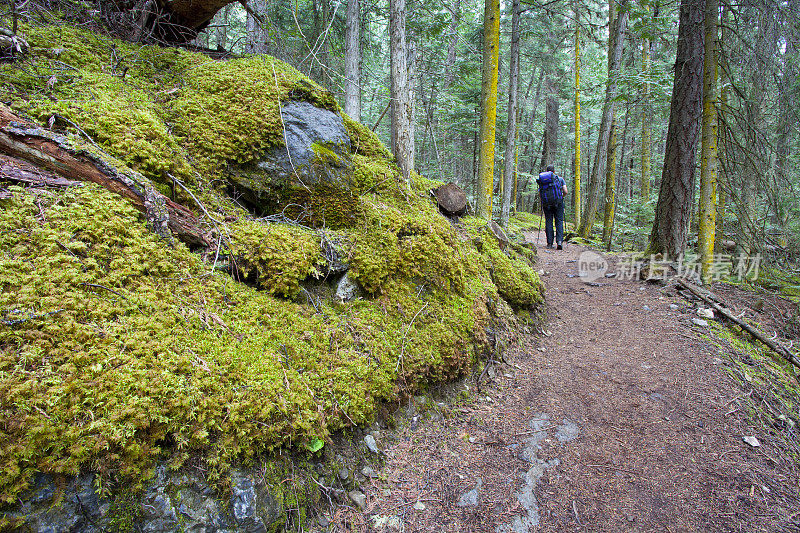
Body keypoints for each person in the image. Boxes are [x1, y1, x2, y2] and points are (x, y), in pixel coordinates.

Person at [536, 165, 568, 249]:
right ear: (554, 171)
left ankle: (549, 243)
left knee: (549, 221)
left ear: (547, 171)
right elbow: (565, 191)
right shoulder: (559, 179)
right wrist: (561, 197)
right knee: (559, 221)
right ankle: (559, 242)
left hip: (547, 204)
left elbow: (540, 194)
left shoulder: (543, 181)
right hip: (558, 203)